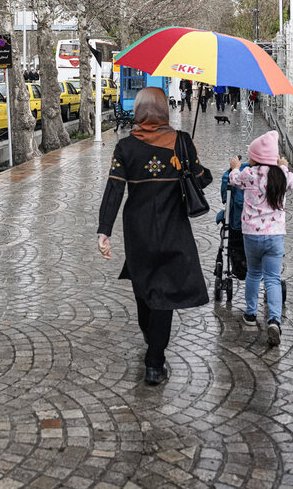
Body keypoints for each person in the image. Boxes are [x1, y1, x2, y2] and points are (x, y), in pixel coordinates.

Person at [97, 87, 213, 385]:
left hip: (138, 230)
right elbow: (202, 179)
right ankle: (154, 360)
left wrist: (104, 230)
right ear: (163, 111)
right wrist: (190, 159)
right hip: (174, 229)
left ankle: (152, 342)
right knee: (164, 295)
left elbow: (114, 189)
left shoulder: (125, 147)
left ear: (138, 111)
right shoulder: (182, 142)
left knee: (144, 289)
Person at [227, 131, 293, 347]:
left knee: (254, 274)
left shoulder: (249, 173)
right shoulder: (281, 176)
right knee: (273, 278)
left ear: (255, 158)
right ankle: (274, 319)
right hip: (275, 236)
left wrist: (235, 166)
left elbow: (233, 179)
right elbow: (292, 180)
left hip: (252, 235)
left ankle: (250, 314)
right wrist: (282, 165)